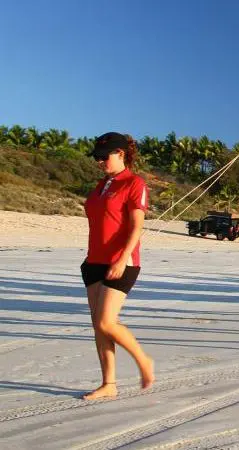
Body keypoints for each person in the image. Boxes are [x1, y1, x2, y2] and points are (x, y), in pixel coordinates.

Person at [81, 132, 154, 400]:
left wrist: (122, 258)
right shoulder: (101, 185)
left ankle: (143, 361)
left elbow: (137, 228)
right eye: (97, 158)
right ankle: (109, 384)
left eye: (104, 157)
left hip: (122, 262)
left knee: (106, 322)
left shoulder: (134, 184)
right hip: (94, 262)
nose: (100, 162)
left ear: (121, 154)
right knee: (98, 326)